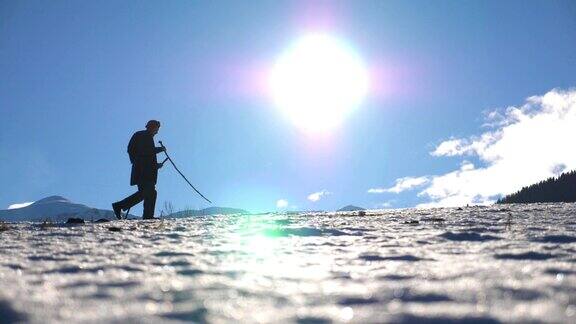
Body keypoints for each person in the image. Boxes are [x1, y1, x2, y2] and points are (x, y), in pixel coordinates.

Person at [112, 120, 166, 219]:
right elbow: (144, 152)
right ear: (152, 127)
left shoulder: (144, 136)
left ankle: (147, 216)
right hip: (142, 171)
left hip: (144, 170)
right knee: (148, 192)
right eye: (156, 129)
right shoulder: (143, 136)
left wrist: (156, 165)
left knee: (149, 193)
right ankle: (119, 206)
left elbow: (145, 155)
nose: (157, 132)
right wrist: (159, 149)